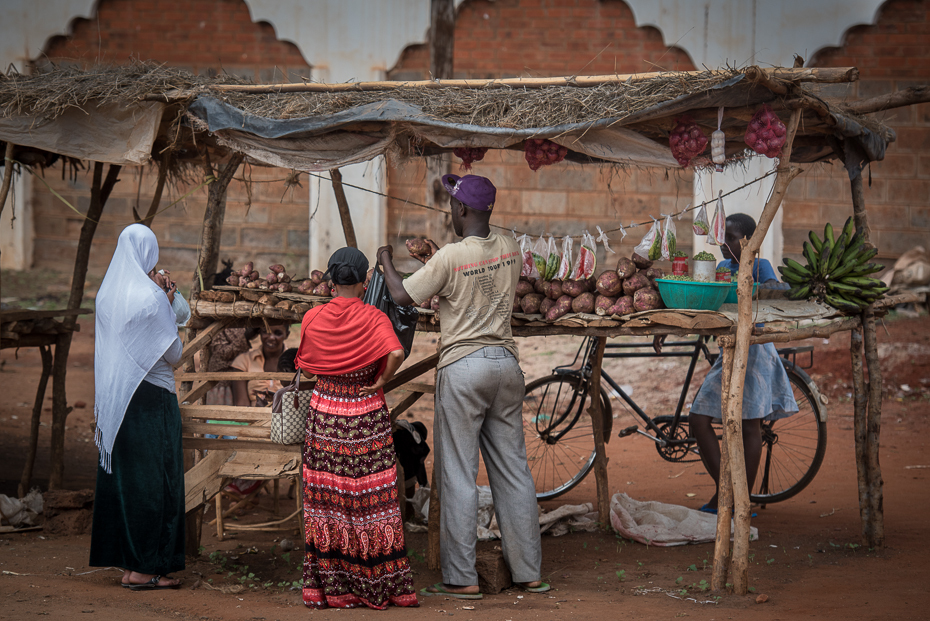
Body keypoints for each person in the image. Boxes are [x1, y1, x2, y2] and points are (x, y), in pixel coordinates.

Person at [377, 173, 546, 599]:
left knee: (457, 475)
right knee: (514, 472)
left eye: (453, 207)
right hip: (506, 367)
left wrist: (385, 261)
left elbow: (400, 296)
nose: (450, 213)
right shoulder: (509, 245)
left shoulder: (451, 256)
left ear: (464, 210)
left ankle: (462, 577)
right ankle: (529, 572)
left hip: (464, 367)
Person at [294, 247, 418, 610]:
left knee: (327, 499)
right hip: (365, 413)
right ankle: (376, 584)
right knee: (371, 499)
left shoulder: (312, 317)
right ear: (365, 282)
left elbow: (309, 368)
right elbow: (395, 353)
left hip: (326, 414)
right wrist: (380, 380)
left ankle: (330, 589)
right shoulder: (375, 318)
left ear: (331, 282)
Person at [656, 213, 799, 513]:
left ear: (748, 242)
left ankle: (735, 500)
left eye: (731, 238)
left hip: (755, 353)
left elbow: (775, 294)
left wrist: (762, 285)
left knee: (749, 426)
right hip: (729, 352)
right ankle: (729, 494)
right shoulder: (720, 268)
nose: (724, 244)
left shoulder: (759, 266)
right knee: (698, 418)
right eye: (722, 237)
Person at [89, 224, 185, 590]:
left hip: (116, 400)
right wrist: (168, 303)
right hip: (151, 400)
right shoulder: (150, 297)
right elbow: (173, 355)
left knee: (125, 481)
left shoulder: (106, 294)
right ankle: (145, 569)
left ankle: (130, 566)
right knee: (155, 483)